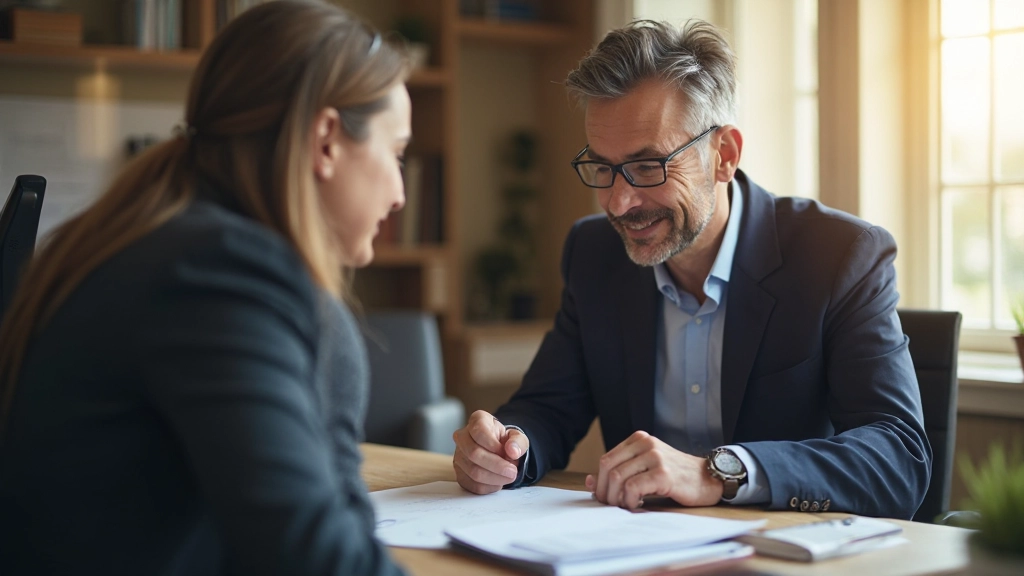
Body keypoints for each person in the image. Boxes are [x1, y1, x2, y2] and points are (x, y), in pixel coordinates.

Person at [452, 19, 930, 520]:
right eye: (602, 168)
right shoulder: (593, 254)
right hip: (636, 553)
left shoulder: (840, 256)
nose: (618, 202)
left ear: (723, 155)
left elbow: (898, 458)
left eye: (647, 166)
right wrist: (505, 449)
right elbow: (547, 408)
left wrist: (717, 473)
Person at [0, 1, 410, 574]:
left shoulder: (154, 241)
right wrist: (334, 333)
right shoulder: (219, 273)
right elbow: (312, 557)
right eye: (396, 153)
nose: (400, 194)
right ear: (325, 141)